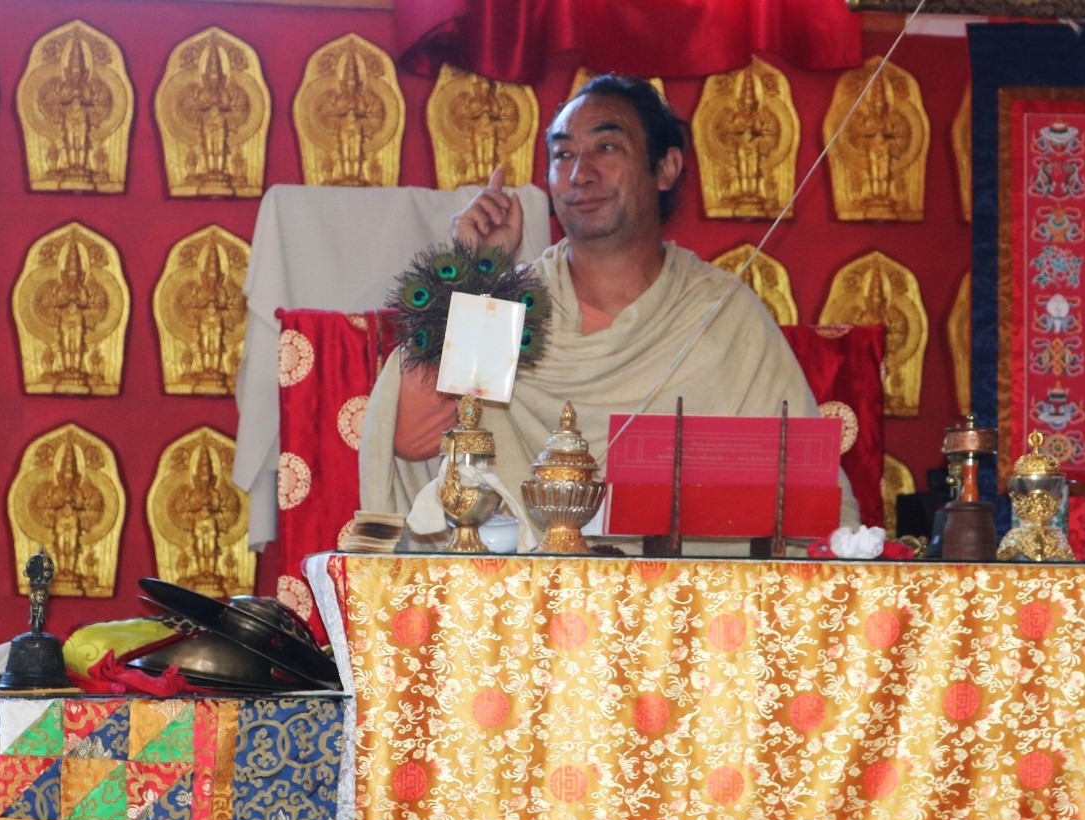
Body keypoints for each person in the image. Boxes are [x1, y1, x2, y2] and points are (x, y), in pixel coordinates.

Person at [360, 73, 858, 551]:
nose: (580, 173)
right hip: (524, 602)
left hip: (685, 610)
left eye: (606, 147)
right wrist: (481, 276)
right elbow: (414, 440)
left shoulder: (721, 315)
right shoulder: (511, 310)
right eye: (563, 154)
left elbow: (806, 503)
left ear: (666, 168)